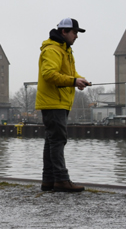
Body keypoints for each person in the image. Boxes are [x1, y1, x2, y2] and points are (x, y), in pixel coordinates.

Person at [36, 18, 91, 193]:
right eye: (74, 32)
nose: (76, 36)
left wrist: (79, 79)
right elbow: (49, 74)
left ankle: (49, 180)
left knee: (52, 141)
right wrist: (74, 81)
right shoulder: (53, 50)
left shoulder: (65, 51)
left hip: (58, 102)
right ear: (64, 32)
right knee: (58, 141)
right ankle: (61, 180)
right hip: (54, 102)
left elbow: (70, 74)